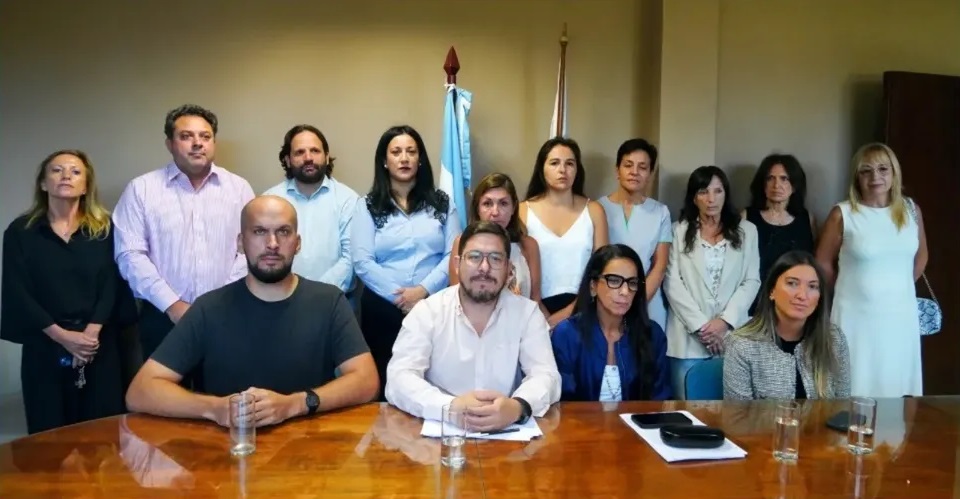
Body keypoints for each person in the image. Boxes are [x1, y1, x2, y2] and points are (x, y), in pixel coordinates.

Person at [125, 196, 378, 426]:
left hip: (309, 450)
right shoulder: (209, 308)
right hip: (228, 449)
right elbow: (141, 391)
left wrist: (296, 404)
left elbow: (367, 381)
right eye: (259, 232)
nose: (272, 244)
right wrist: (215, 408)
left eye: (283, 232)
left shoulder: (328, 301)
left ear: (297, 243)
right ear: (240, 242)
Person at [1, 150, 134, 433]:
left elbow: (114, 283)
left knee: (103, 435)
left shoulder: (106, 229)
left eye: (75, 172)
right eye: (56, 170)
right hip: (45, 343)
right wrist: (63, 337)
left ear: (85, 186)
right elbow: (17, 290)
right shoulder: (20, 232)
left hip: (98, 343)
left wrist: (89, 336)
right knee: (48, 435)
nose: (66, 176)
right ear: (43, 183)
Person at [113, 104, 255, 362]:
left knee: (223, 386)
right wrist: (173, 305)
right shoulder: (141, 189)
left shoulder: (239, 188)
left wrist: (220, 303)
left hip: (229, 314)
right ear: (169, 143)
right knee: (163, 388)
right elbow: (130, 255)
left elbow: (250, 249)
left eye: (205, 136)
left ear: (213, 142)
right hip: (161, 317)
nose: (197, 143)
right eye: (186, 136)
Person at [385, 221, 560, 429]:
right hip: (440, 434)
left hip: (507, 431)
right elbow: (399, 378)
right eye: (474, 257)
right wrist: (449, 407)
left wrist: (518, 407)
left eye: (495, 259)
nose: (484, 268)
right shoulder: (427, 312)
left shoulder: (527, 313)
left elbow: (546, 375)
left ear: (508, 269)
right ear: (457, 264)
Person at [352, 125, 461, 397]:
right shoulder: (367, 205)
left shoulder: (442, 203)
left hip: (434, 303)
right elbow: (363, 261)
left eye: (411, 151)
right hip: (383, 307)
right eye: (396, 152)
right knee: (386, 381)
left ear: (420, 159)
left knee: (434, 379)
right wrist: (401, 297)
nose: (404, 158)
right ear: (384, 160)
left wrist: (422, 291)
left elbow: (453, 254)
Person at [816, 143, 927, 397]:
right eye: (866, 171)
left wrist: (895, 287)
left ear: (894, 173)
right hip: (855, 317)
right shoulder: (843, 214)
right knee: (855, 385)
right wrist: (852, 290)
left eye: (882, 169)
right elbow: (822, 263)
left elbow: (921, 256)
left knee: (897, 385)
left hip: (900, 316)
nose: (875, 176)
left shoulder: (911, 211)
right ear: (857, 177)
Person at [663, 166, 760, 399]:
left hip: (732, 336)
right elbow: (671, 282)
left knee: (732, 411)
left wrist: (724, 323)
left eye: (718, 191)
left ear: (726, 194)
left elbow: (751, 281)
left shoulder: (747, 231)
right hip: (687, 340)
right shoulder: (677, 231)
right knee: (687, 410)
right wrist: (703, 328)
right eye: (703, 192)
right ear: (693, 197)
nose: (711, 199)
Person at [723, 251, 850, 400]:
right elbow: (738, 412)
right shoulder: (741, 345)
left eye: (812, 286)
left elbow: (843, 405)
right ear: (772, 291)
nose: (802, 295)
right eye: (792, 283)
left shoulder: (834, 339)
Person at [551, 244, 672, 402]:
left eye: (632, 283)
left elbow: (660, 400)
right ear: (593, 286)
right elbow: (562, 402)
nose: (625, 291)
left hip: (636, 419)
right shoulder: (567, 334)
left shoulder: (652, 334)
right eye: (614, 281)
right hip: (578, 419)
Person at [263, 124, 359, 304]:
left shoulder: (348, 200)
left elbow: (351, 258)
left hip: (337, 302)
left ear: (327, 157)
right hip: (280, 301)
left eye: (315, 151)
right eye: (300, 152)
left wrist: (314, 296)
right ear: (288, 160)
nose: (308, 158)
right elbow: (262, 253)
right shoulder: (269, 200)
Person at [520, 137, 609, 329]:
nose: (563, 170)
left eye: (570, 163)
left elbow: (602, 269)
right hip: (532, 310)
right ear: (541, 168)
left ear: (577, 169)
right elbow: (517, 268)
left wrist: (568, 313)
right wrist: (541, 315)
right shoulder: (522, 211)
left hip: (585, 308)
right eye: (554, 163)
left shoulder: (594, 210)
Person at [598, 138, 672, 329]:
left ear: (650, 174)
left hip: (647, 302)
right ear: (617, 170)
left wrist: (636, 302)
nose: (634, 172)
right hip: (607, 300)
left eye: (642, 167)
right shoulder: (597, 208)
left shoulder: (661, 212)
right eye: (628, 165)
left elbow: (660, 266)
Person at [449, 172, 545, 313]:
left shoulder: (528, 245)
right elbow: (457, 298)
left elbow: (535, 299)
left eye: (503, 203)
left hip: (522, 321)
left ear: (513, 208)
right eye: (487, 204)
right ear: (477, 208)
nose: (495, 212)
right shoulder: (462, 242)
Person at [741, 154, 815, 312]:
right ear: (762, 184)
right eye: (770, 178)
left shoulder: (807, 219)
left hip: (796, 302)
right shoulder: (747, 217)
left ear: (794, 185)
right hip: (756, 302)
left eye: (784, 179)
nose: (776, 185)